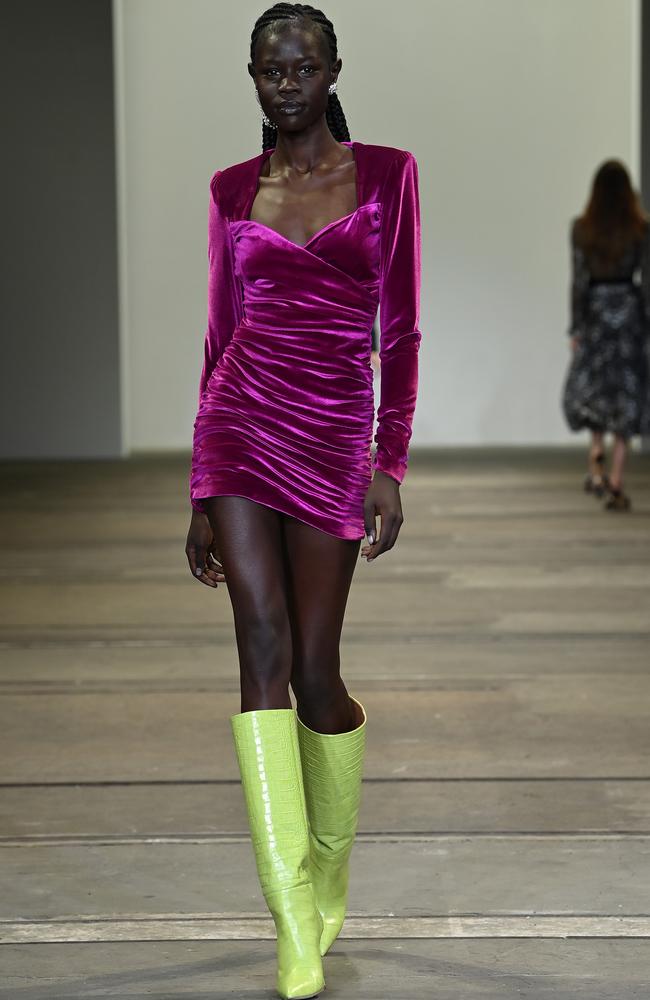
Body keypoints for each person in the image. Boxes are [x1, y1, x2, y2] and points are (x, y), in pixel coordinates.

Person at [184, 4, 421, 998]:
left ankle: (328, 868)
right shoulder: (230, 189)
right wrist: (197, 491)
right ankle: (289, 919)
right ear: (251, 77)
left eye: (302, 67)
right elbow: (216, 330)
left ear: (330, 72)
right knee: (262, 647)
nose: (285, 83)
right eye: (269, 70)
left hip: (330, 437)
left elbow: (399, 330)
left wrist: (387, 460)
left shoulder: (385, 176)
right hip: (238, 428)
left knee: (318, 671)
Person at [562, 159, 650, 510]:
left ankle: (595, 455)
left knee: (595, 388)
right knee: (626, 392)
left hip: (595, 311)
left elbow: (579, 282)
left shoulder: (582, 229)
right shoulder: (640, 229)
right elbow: (647, 284)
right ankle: (615, 479)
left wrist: (577, 326)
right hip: (628, 311)